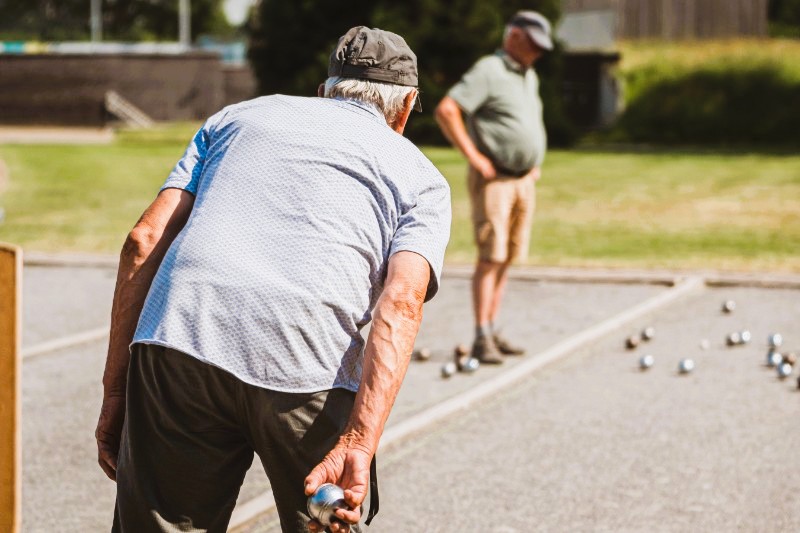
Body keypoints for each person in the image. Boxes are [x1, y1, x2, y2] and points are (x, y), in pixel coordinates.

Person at [95, 26, 451, 533]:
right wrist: (358, 441)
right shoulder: (421, 177)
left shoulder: (236, 118)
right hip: (307, 359)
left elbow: (144, 241)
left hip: (180, 339)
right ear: (406, 105)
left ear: (326, 88)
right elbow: (401, 305)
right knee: (325, 523)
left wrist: (115, 390)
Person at [435, 10, 552, 365]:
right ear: (514, 36)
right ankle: (481, 335)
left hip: (521, 181)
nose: (537, 53)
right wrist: (474, 156)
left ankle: (493, 327)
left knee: (509, 256)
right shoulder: (490, 69)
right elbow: (447, 109)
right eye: (532, 44)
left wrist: (532, 162)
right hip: (494, 180)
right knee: (490, 257)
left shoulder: (527, 75)